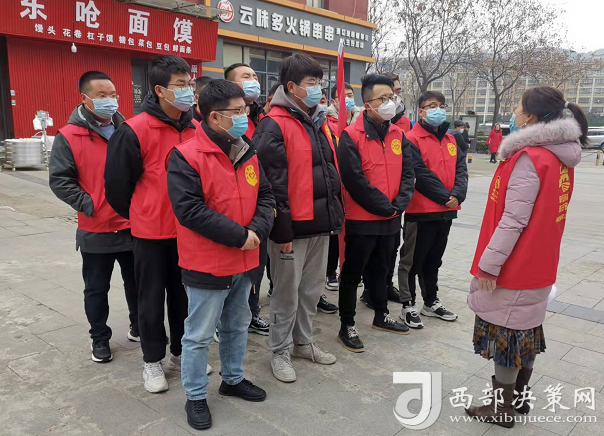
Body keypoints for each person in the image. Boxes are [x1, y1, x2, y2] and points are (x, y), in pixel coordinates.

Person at [465, 87, 586, 427]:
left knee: (508, 337)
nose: (515, 112)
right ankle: (518, 399)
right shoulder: (560, 156)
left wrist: (489, 265)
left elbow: (513, 220)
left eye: (518, 106)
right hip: (539, 261)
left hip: (515, 265)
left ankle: (502, 408)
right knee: (525, 332)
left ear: (530, 116)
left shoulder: (531, 158)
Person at [167, 79, 274, 431]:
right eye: (238, 111)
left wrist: (255, 231)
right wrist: (239, 236)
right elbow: (190, 210)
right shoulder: (185, 156)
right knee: (199, 334)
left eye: (245, 109)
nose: (245, 116)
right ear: (214, 117)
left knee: (237, 324)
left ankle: (233, 378)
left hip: (245, 259)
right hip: (207, 263)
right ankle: (196, 395)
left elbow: (266, 196)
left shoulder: (247, 150)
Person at [104, 55, 207, 393]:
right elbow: (117, 187)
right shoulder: (133, 130)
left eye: (190, 83)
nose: (188, 90)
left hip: (190, 231)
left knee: (184, 297)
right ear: (161, 90)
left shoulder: (195, 128)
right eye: (180, 85)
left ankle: (180, 351)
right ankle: (152, 360)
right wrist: (143, 212)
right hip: (150, 233)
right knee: (150, 299)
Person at [254, 53, 344, 383]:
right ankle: (279, 350)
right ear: (291, 87)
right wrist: (282, 231)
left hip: (320, 225)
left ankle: (303, 342)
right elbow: (271, 185)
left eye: (320, 82)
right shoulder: (273, 125)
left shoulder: (318, 121)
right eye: (311, 82)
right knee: (286, 294)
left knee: (311, 291)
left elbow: (328, 175)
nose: (318, 88)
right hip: (291, 230)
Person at [49, 71, 138, 363]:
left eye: (112, 95)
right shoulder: (68, 136)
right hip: (96, 228)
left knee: (137, 282)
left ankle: (138, 325)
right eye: (101, 96)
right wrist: (90, 204)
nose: (109, 101)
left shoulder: (128, 129)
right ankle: (100, 337)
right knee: (97, 289)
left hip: (132, 225)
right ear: (84, 98)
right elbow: (60, 180)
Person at [336, 74, 415, 353]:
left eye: (391, 97)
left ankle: (381, 314)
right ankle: (347, 324)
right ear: (367, 103)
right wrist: (384, 206)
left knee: (383, 269)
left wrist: (399, 204)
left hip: (392, 219)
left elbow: (408, 173)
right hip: (362, 219)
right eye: (383, 98)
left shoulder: (398, 135)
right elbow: (354, 180)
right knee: (352, 273)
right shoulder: (350, 136)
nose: (390, 102)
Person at [397, 91, 467, 329]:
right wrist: (446, 197)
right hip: (421, 210)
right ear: (421, 111)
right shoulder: (411, 138)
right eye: (432, 105)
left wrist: (457, 195)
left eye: (442, 105)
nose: (439, 109)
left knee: (434, 259)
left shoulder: (451, 139)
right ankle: (407, 304)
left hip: (446, 211)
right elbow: (419, 173)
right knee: (412, 260)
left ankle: (430, 302)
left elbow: (461, 170)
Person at [224, 62, 271, 335]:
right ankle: (224, 319)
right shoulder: (223, 123)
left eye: (255, 75)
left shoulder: (262, 118)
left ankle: (251, 313)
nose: (254, 80)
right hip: (228, 214)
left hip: (258, 207)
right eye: (246, 76)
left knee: (255, 269)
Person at [224, 63, 262, 138]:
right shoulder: (224, 117)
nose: (253, 81)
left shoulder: (262, 114)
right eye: (246, 77)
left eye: (255, 78)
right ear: (231, 84)